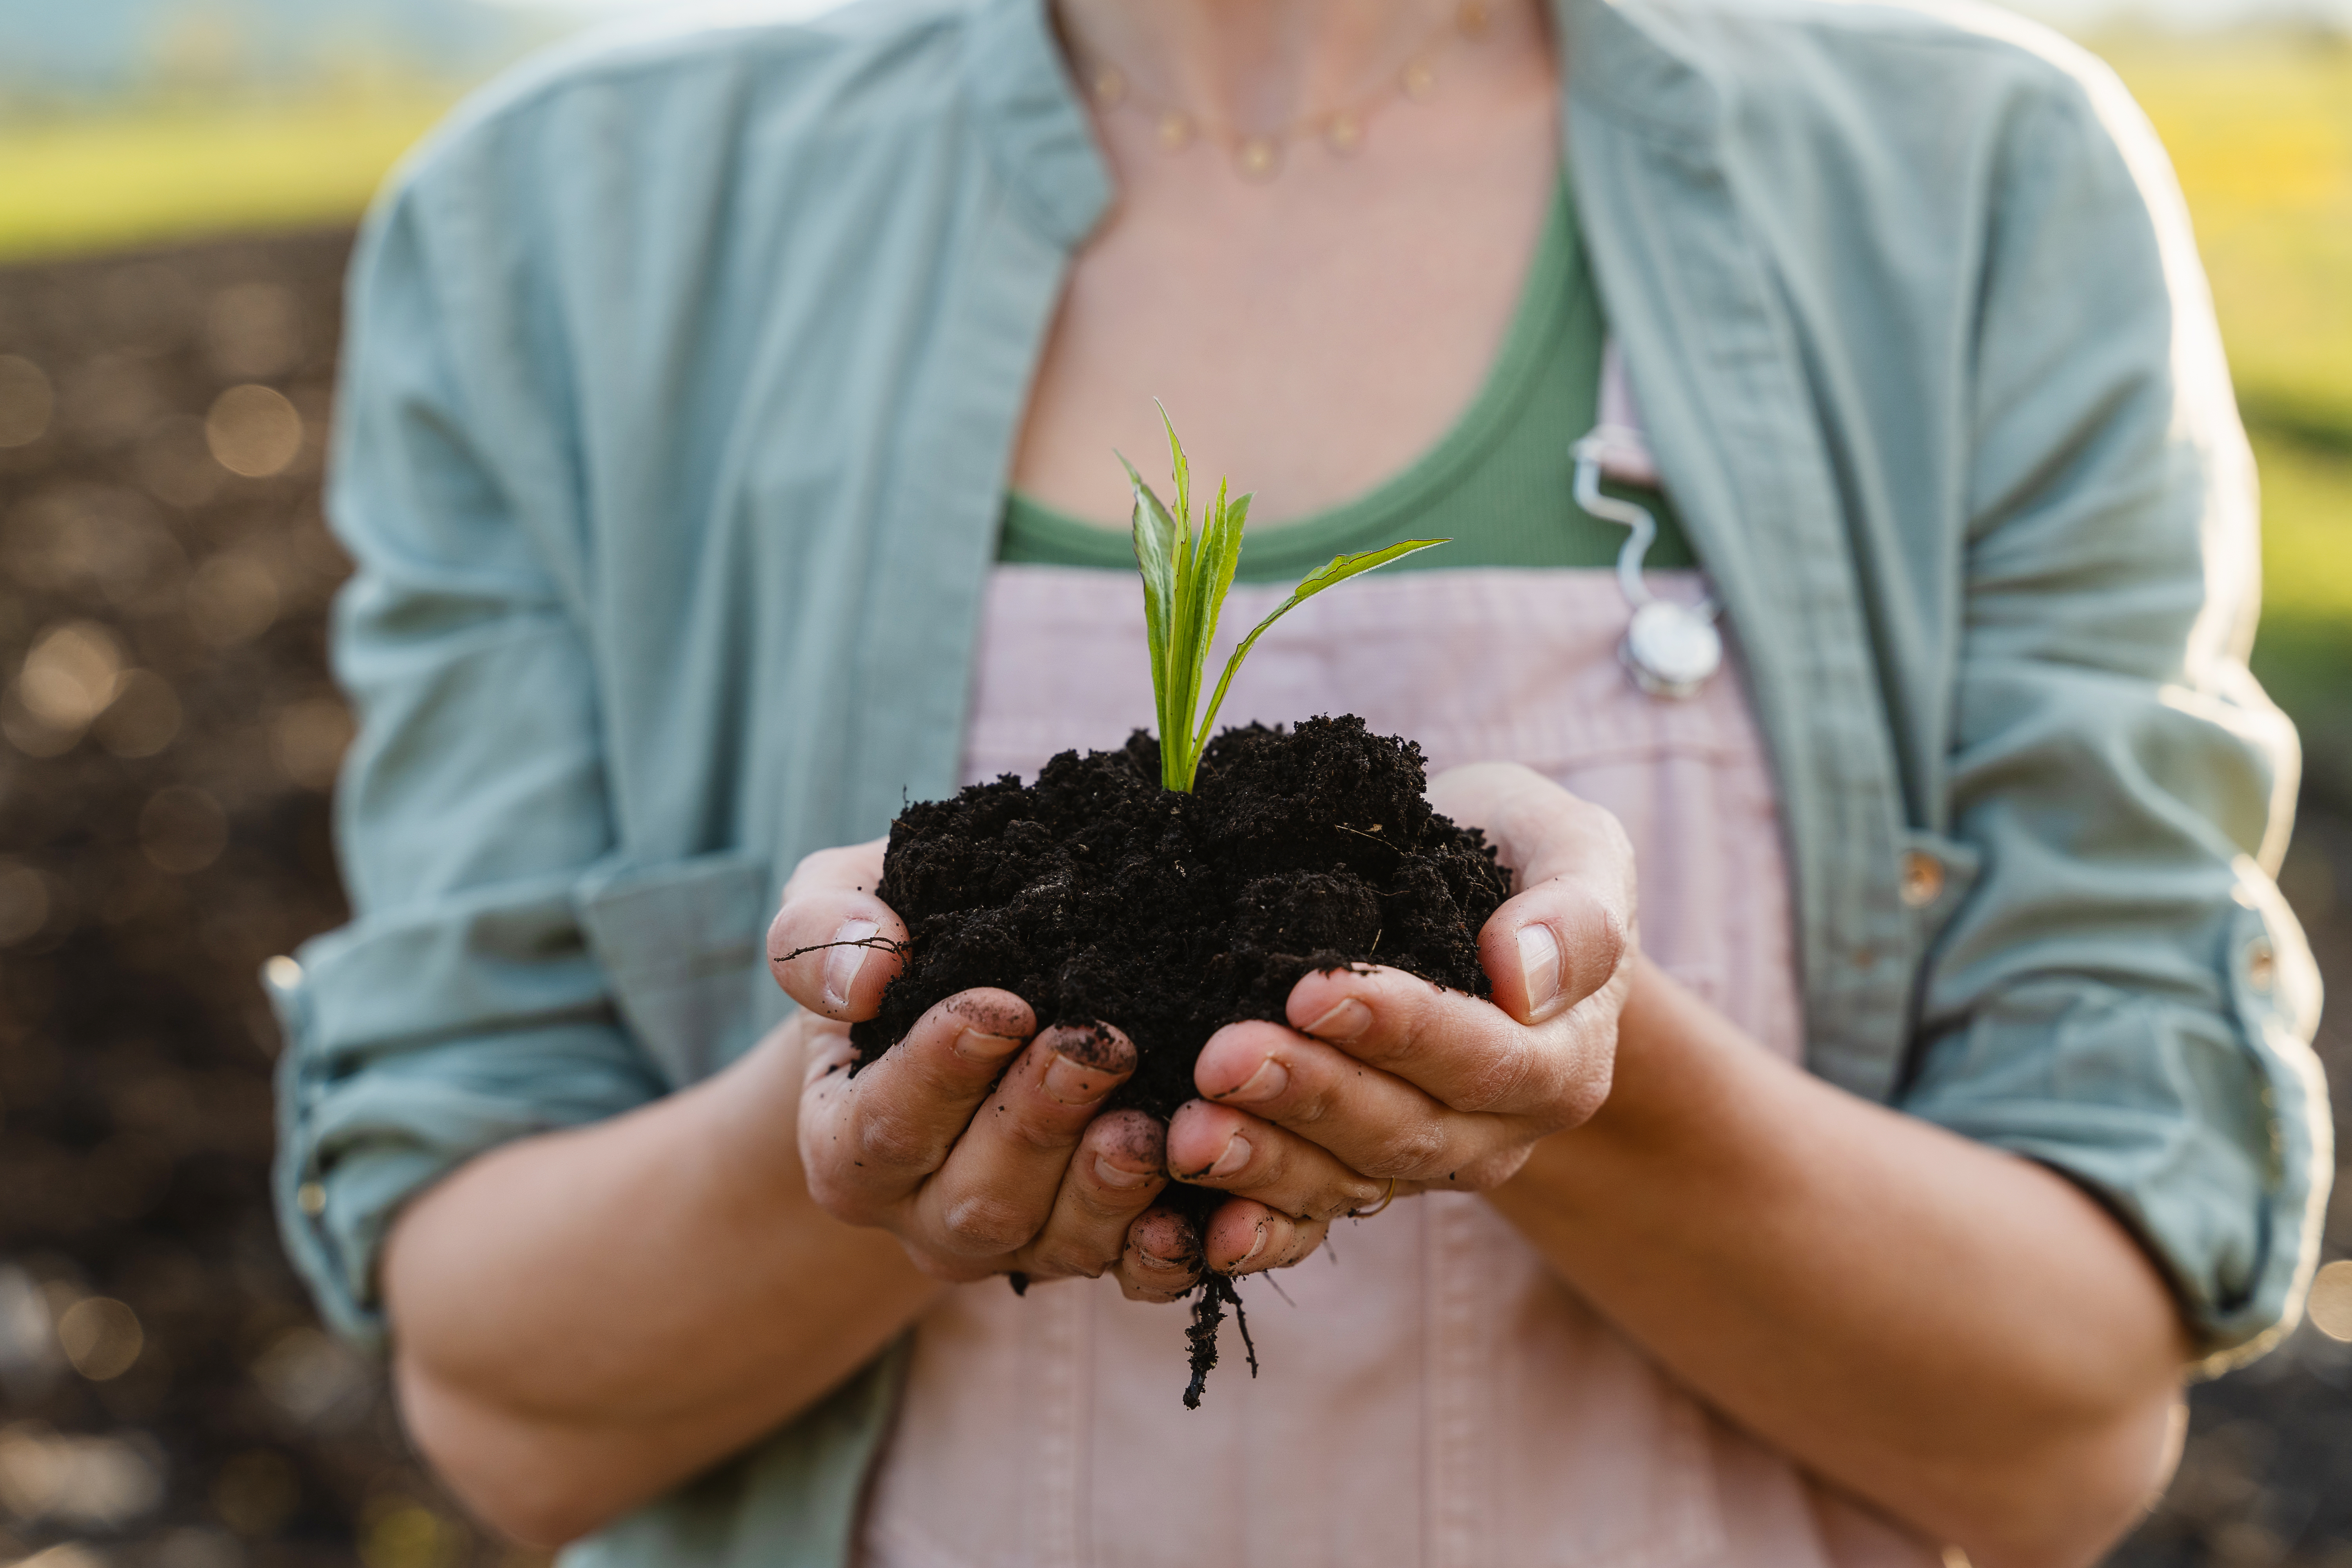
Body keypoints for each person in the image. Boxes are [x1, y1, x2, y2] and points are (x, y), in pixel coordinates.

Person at [267, 0, 2330, 1561]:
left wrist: (1566, 1070)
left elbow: (2062, 1432)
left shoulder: (1967, 184)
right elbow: (513, 1408)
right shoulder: (577, 220)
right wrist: (865, 1106)